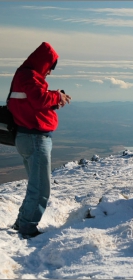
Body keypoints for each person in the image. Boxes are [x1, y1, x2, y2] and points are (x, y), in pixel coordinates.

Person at [8, 42, 71, 239]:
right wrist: (56, 96)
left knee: (36, 185)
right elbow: (38, 99)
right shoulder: (29, 76)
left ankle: (22, 222)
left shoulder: (26, 76)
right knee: (41, 188)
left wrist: (54, 99)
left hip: (30, 137)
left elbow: (33, 103)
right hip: (34, 138)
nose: (50, 73)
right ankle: (27, 228)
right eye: (50, 68)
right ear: (45, 63)